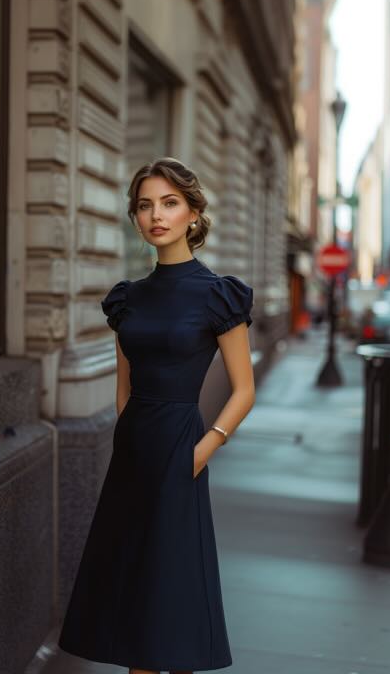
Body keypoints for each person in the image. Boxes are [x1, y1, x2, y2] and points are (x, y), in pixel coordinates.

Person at [58, 157, 255, 674]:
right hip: (134, 453)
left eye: (169, 203)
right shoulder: (129, 299)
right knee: (136, 596)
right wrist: (130, 442)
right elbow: (123, 387)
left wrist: (200, 451)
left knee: (173, 594)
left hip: (181, 447)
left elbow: (244, 390)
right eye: (145, 205)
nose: (155, 215)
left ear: (193, 213)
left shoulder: (217, 294)